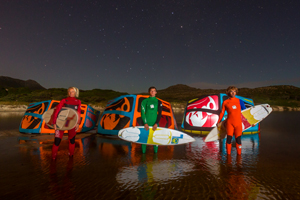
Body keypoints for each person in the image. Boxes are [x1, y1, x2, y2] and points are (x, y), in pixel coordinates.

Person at [51, 87, 81, 160]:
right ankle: (53, 157)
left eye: (72, 91)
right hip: (61, 123)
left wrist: (78, 123)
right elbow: (57, 111)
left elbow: (78, 113)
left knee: (72, 140)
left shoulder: (78, 101)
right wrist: (54, 123)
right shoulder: (64, 100)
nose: (71, 93)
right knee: (57, 140)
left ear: (76, 92)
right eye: (69, 91)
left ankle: (71, 156)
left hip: (72, 123)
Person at [217, 86, 246, 155]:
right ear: (228, 93)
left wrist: (250, 122)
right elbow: (222, 113)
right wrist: (218, 122)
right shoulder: (225, 102)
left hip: (238, 123)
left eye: (234, 91)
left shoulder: (240, 101)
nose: (233, 93)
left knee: (238, 140)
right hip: (229, 123)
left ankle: (239, 156)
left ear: (236, 92)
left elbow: (245, 113)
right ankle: (228, 157)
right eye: (231, 91)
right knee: (229, 139)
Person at [141, 86, 162, 153]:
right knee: (144, 140)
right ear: (149, 92)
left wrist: (156, 123)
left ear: (156, 92)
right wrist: (145, 123)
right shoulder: (145, 101)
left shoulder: (159, 102)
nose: (152, 92)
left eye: (154, 91)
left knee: (155, 140)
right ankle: (143, 157)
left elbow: (160, 114)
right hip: (146, 123)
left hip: (155, 123)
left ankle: (155, 157)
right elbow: (142, 113)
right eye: (151, 91)